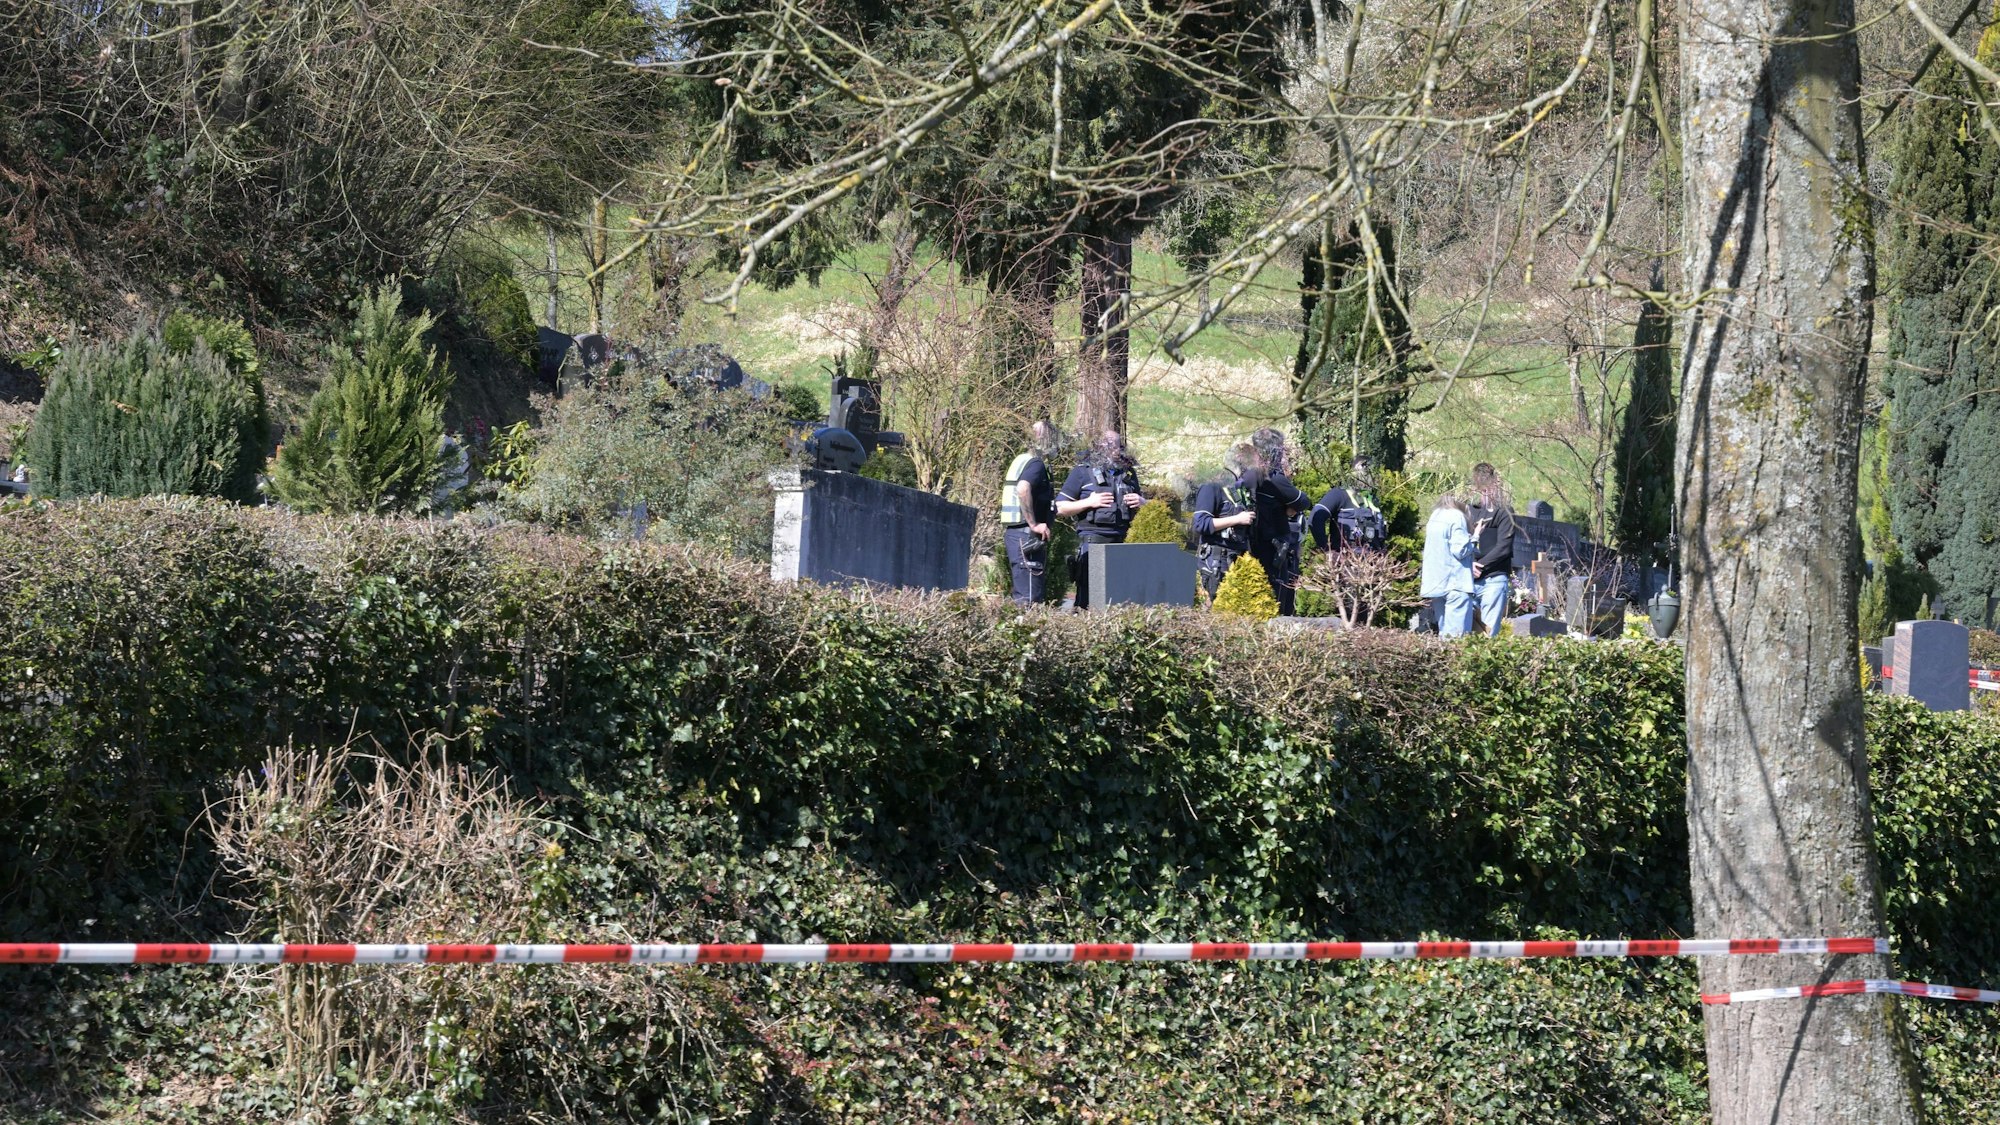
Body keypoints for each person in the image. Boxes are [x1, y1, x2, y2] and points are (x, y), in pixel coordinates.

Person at [1056, 430, 1146, 609]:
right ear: (1098, 447)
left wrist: (1143, 502)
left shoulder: (1128, 474)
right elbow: (1060, 508)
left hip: (1122, 543)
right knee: (1090, 600)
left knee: (1118, 600)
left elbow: (1147, 508)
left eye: (1117, 445)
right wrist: (1089, 502)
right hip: (1093, 543)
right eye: (1109, 445)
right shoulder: (1082, 471)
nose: (1114, 450)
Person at [1246, 427, 1312, 615]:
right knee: (1276, 602)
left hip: (1253, 543)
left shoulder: (1249, 474)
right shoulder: (1274, 478)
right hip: (1273, 548)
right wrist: (1287, 507)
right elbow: (1304, 501)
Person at [999, 420, 1060, 605]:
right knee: (1030, 600)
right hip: (1027, 536)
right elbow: (1023, 489)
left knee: (1024, 597)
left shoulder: (1022, 459)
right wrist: (1034, 524)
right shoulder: (1036, 464)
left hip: (1016, 534)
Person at [1190, 442, 1260, 601]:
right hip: (1215, 563)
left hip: (1237, 560)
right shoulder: (1212, 486)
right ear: (1240, 460)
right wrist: (1237, 519)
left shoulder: (1240, 490)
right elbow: (1200, 524)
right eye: (1252, 464)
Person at [1419, 494, 1486, 637]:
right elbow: (1460, 550)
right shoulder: (1457, 516)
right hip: (1456, 584)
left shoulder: (1435, 515)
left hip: (1437, 583)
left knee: (1444, 635)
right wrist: (1475, 536)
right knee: (1457, 638)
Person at [1467, 462, 1517, 636]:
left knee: (1487, 634)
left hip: (1493, 580)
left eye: (1489, 487)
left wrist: (1478, 566)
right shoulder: (1469, 511)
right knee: (1463, 632)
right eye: (1481, 488)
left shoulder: (1505, 512)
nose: (1485, 492)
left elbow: (1503, 547)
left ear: (1495, 485)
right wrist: (1470, 564)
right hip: (1468, 579)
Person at [1308, 454, 1389, 553]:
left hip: (1373, 564)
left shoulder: (1372, 501)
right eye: (1363, 470)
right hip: (1345, 563)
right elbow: (1315, 518)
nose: (1368, 475)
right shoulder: (1339, 495)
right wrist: (1327, 550)